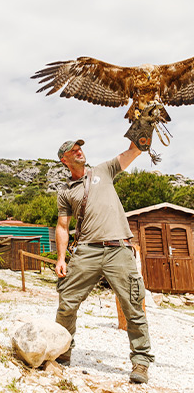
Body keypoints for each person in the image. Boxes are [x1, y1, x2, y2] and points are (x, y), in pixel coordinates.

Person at [54, 138, 154, 384]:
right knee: (67, 302)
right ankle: (62, 352)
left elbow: (133, 151)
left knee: (133, 304)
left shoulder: (104, 170)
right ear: (64, 159)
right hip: (86, 251)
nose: (79, 151)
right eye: (73, 150)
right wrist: (60, 258)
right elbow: (62, 226)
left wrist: (141, 132)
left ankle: (140, 362)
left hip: (118, 248)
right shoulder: (65, 191)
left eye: (80, 148)